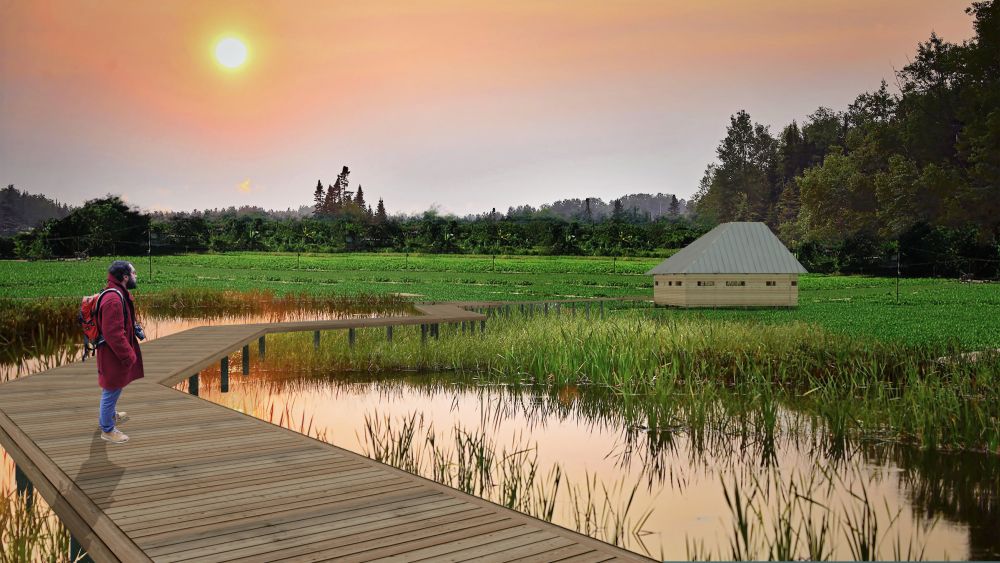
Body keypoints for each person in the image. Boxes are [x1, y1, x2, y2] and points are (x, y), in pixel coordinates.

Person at [96, 260, 145, 443]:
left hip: (113, 354)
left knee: (114, 386)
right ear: (125, 277)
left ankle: (110, 415)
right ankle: (107, 430)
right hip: (112, 355)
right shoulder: (113, 300)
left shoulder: (117, 294)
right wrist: (129, 355)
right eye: (134, 273)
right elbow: (113, 334)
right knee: (111, 389)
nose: (136, 276)